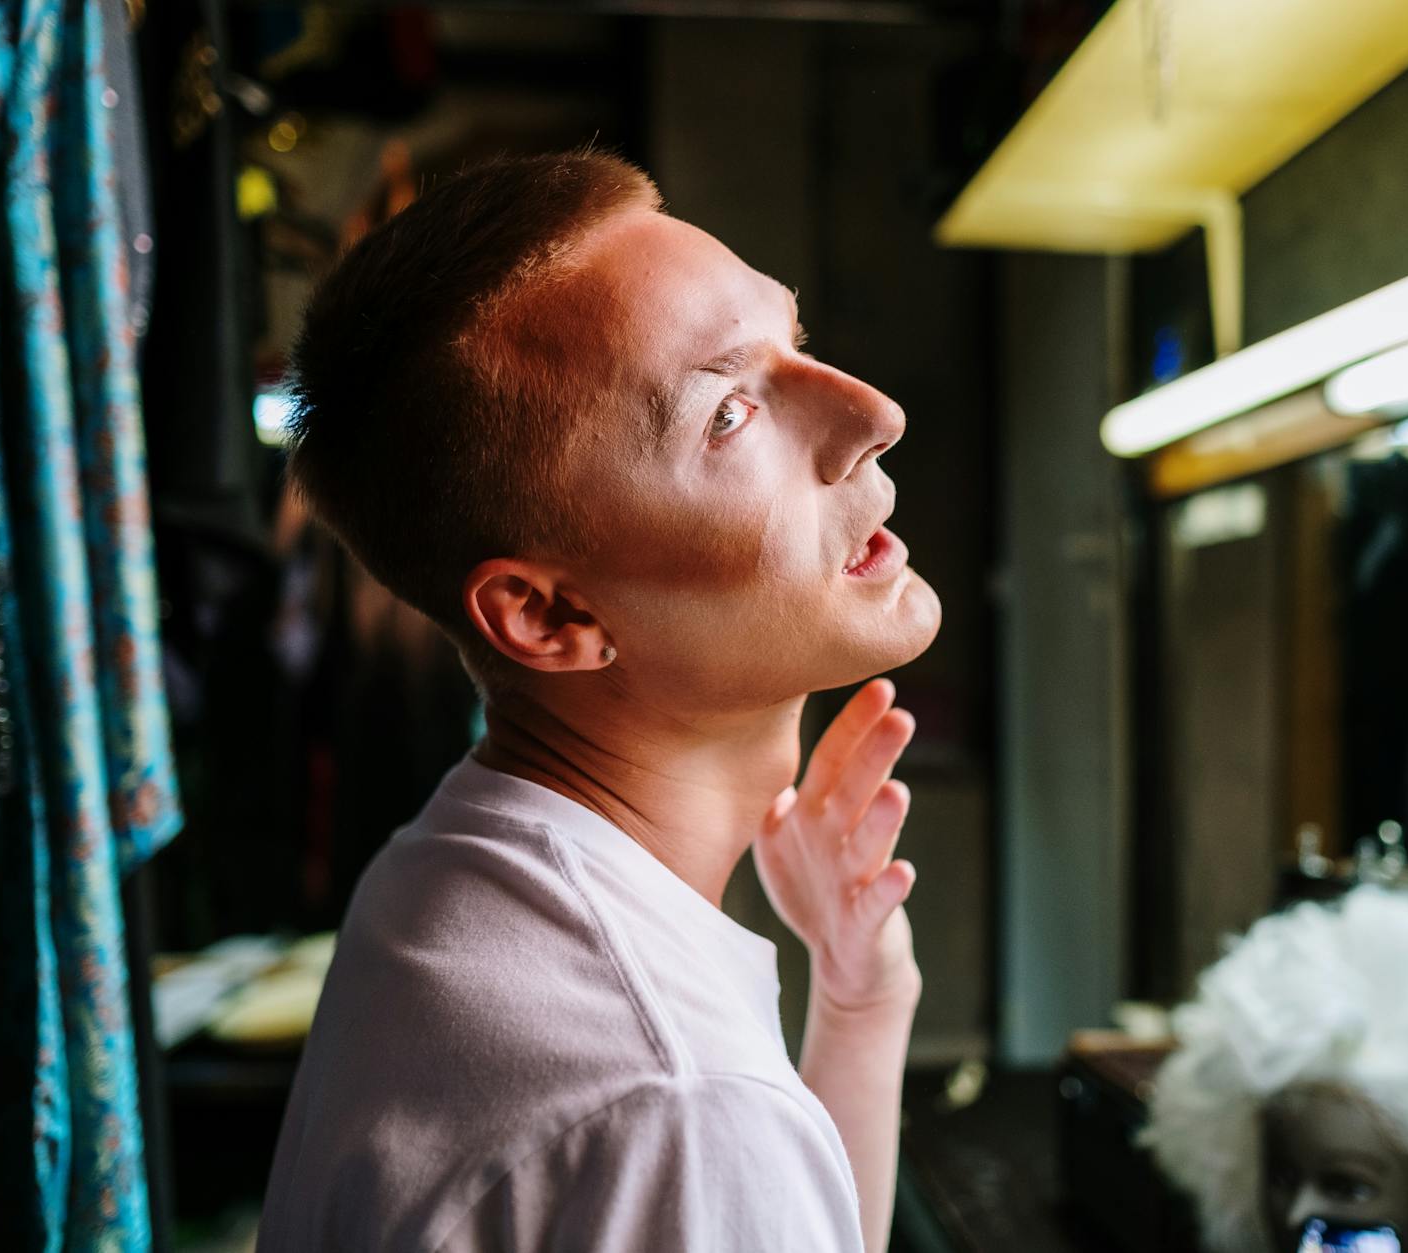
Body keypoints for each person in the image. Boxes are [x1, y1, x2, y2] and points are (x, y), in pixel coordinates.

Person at [255, 150, 942, 1253]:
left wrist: (860, 1000)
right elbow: (697, 1136)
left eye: (797, 340)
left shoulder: (446, 872)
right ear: (547, 614)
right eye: (728, 413)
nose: (874, 412)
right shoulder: (674, 1102)